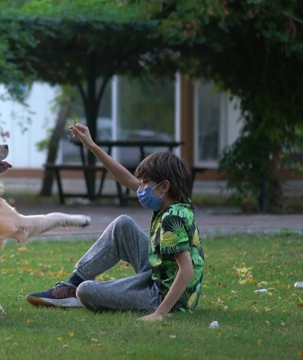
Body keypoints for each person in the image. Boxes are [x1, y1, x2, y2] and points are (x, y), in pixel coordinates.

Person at [25, 123, 204, 321]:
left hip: (161, 296)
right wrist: (92, 146)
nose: (140, 188)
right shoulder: (175, 203)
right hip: (156, 274)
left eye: (145, 183)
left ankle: (77, 290)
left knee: (86, 291)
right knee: (123, 224)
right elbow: (127, 179)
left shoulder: (173, 218)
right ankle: (72, 285)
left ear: (164, 187)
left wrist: (159, 313)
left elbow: (186, 270)